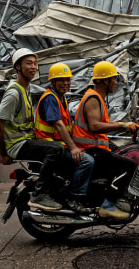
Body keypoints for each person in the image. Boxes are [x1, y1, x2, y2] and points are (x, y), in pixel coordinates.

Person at [0, 48, 65, 211]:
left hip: (26, 141)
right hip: (18, 145)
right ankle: (40, 195)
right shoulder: (14, 93)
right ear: (18, 66)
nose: (33, 67)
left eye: (35, 63)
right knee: (56, 150)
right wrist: (3, 154)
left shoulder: (26, 89)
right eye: (28, 63)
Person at [72, 60, 139, 220]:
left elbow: (100, 125)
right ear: (104, 80)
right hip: (90, 150)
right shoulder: (93, 99)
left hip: (94, 147)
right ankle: (109, 205)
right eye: (114, 79)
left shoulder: (98, 98)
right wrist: (123, 124)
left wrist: (125, 127)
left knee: (122, 155)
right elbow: (95, 126)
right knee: (129, 165)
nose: (116, 83)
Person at [34, 62, 95, 214]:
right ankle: (74, 197)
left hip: (60, 145)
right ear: (52, 81)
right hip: (51, 147)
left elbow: (69, 125)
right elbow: (59, 125)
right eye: (61, 80)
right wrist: (74, 148)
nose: (66, 83)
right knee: (87, 161)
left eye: (68, 80)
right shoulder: (50, 99)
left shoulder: (61, 98)